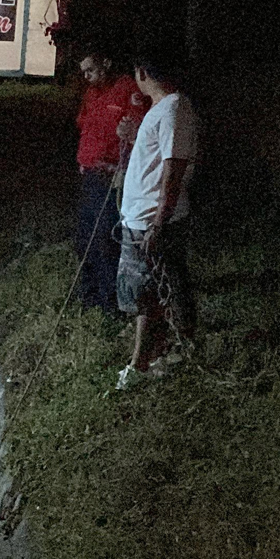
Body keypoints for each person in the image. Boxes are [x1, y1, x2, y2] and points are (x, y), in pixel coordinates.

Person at [115, 53, 199, 390]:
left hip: (151, 220)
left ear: (142, 71)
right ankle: (161, 351)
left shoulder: (174, 108)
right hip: (141, 217)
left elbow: (173, 167)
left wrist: (159, 221)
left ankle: (144, 362)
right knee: (150, 293)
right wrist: (135, 136)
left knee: (153, 292)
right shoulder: (162, 109)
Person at [75, 49, 149, 312]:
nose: (87, 77)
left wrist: (129, 136)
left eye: (91, 70)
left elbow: (142, 129)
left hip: (112, 177)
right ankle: (88, 296)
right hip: (90, 175)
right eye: (83, 72)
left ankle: (111, 303)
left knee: (105, 239)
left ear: (106, 63)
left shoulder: (127, 89)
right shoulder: (91, 94)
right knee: (84, 238)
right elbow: (85, 126)